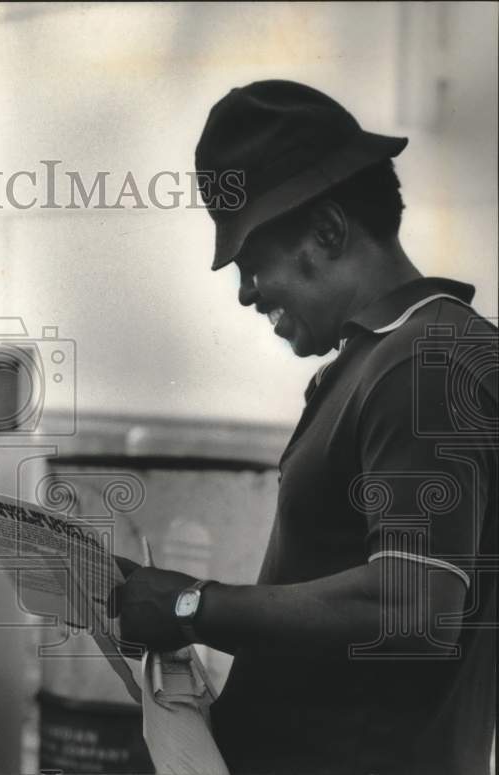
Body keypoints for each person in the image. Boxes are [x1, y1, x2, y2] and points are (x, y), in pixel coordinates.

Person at [111, 80, 497, 774]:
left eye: (252, 259)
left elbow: (415, 607)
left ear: (327, 230)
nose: (245, 291)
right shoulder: (381, 358)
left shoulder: (427, 359)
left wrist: (192, 604)